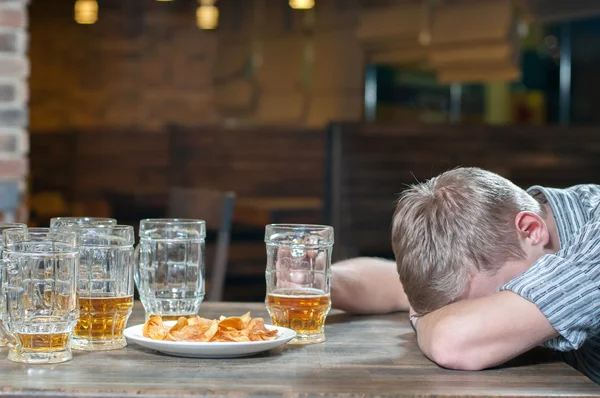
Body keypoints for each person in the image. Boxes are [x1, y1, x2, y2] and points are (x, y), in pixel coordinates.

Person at [329, 167, 600, 383]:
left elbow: (452, 341)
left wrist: (423, 318)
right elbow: (391, 282)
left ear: (531, 230)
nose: (485, 309)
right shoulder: (522, 243)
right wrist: (321, 280)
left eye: (497, 298)